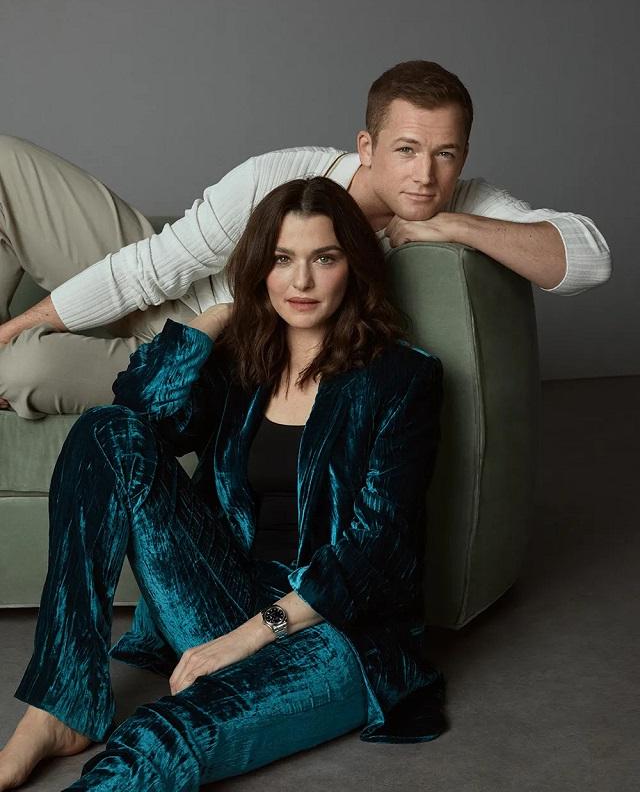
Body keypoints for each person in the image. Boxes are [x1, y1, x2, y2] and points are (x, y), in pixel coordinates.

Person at [0, 176, 445, 791]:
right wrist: (217, 317)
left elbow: (379, 552)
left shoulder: (402, 379)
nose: (301, 281)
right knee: (105, 431)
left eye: (324, 258)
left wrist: (245, 639)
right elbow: (139, 409)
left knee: (163, 735)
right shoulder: (245, 361)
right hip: (225, 593)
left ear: (355, 267)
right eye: (281, 259)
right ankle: (61, 705)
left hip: (334, 631)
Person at [0, 60, 610, 419]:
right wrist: (19, 323)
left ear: (463, 156)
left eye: (444, 154)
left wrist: (452, 225)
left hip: (200, 359)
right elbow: (152, 269)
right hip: (170, 288)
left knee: (22, 367)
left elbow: (588, 260)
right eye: (405, 150)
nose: (425, 175)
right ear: (366, 147)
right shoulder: (281, 175)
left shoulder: (461, 202)